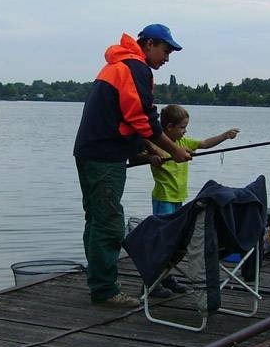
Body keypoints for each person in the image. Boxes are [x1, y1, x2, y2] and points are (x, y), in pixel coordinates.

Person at [73, 24, 192, 308]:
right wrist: (174, 149)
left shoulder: (120, 65)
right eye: (165, 50)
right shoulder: (136, 68)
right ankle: (104, 291)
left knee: (96, 219)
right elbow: (143, 119)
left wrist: (151, 148)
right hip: (104, 157)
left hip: (90, 152)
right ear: (149, 44)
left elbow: (128, 117)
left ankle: (98, 280)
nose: (167, 58)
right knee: (110, 223)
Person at [143, 104, 239, 296]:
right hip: (163, 199)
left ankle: (166, 276)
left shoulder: (183, 143)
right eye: (182, 127)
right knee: (164, 242)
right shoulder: (156, 145)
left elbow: (204, 144)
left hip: (179, 198)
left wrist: (224, 136)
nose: (185, 131)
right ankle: (151, 282)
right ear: (169, 127)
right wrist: (151, 158)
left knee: (176, 242)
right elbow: (143, 149)